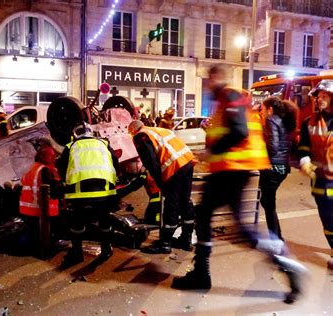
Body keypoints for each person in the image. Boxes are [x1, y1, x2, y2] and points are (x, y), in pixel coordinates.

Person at [171, 65, 307, 304]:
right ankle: (285, 265)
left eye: (208, 79)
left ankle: (203, 274)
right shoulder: (225, 101)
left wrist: (211, 150)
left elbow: (239, 132)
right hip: (231, 171)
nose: (207, 85)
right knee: (221, 222)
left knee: (213, 218)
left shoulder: (229, 95)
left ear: (215, 78)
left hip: (232, 171)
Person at [128, 120, 196, 253]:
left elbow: (152, 164)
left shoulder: (141, 137)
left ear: (132, 131)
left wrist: (161, 184)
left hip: (174, 168)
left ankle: (165, 244)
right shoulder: (157, 130)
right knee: (185, 201)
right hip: (187, 162)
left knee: (171, 203)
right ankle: (186, 239)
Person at [57, 121, 119, 265]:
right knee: (105, 222)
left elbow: (61, 167)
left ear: (75, 134)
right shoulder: (103, 144)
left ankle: (77, 253)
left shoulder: (71, 146)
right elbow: (115, 161)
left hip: (79, 195)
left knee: (77, 224)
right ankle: (106, 250)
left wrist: (64, 186)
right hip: (104, 193)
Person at [297, 79, 333, 270]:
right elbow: (303, 146)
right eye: (318, 96)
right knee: (327, 219)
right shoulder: (308, 122)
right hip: (320, 180)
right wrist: (304, 160)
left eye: (324, 96)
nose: (319, 99)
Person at [259, 97, 298, 241]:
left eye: (262, 109)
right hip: (282, 168)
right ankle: (276, 237)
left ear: (270, 109)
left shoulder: (272, 120)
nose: (261, 112)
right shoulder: (286, 121)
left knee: (268, 204)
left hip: (272, 168)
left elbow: (273, 147)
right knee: (268, 202)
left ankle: (276, 240)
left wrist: (261, 155)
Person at [19, 144, 64, 255]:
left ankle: (31, 248)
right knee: (46, 235)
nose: (54, 158)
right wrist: (63, 185)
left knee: (33, 234)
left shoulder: (31, 168)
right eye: (51, 156)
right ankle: (46, 251)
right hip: (40, 211)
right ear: (44, 157)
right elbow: (55, 191)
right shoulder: (45, 170)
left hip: (27, 210)